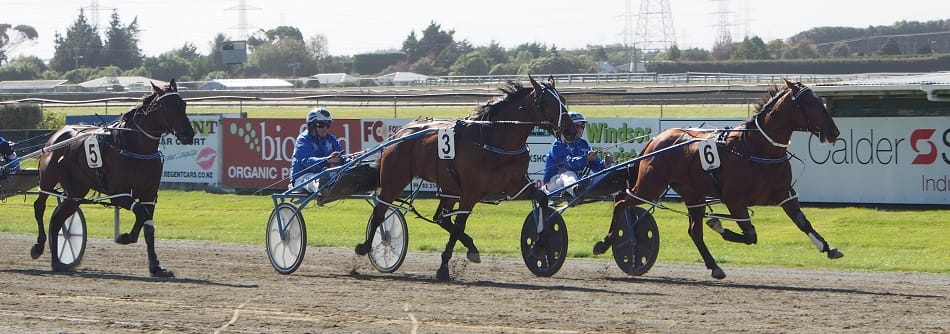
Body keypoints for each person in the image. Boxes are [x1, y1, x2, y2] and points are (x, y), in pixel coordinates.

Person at [542, 112, 612, 198]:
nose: (580, 129)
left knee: (601, 175)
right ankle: (576, 191)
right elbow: (568, 164)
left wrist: (606, 163)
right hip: (553, 185)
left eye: (582, 126)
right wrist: (586, 158)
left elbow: (598, 168)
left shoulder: (583, 143)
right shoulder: (558, 144)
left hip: (576, 182)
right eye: (576, 126)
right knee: (569, 174)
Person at [290, 108, 347, 193]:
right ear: (312, 125)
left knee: (344, 174)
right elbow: (306, 161)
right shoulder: (303, 139)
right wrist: (327, 160)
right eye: (320, 125)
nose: (325, 128)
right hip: (302, 178)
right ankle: (322, 188)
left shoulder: (330, 139)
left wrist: (352, 160)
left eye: (327, 125)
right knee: (314, 179)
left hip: (323, 174)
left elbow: (342, 157)